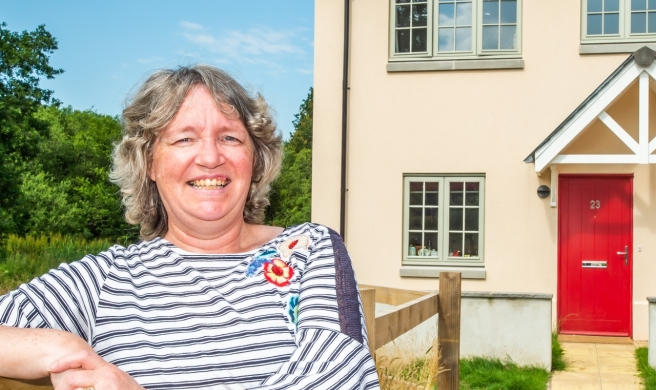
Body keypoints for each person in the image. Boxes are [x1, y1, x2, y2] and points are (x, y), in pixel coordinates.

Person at [0, 65, 379, 390]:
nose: (211, 157)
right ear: (149, 163)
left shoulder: (309, 249)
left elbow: (337, 372)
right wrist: (63, 349)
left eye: (230, 137)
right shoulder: (104, 280)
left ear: (255, 159)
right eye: (184, 139)